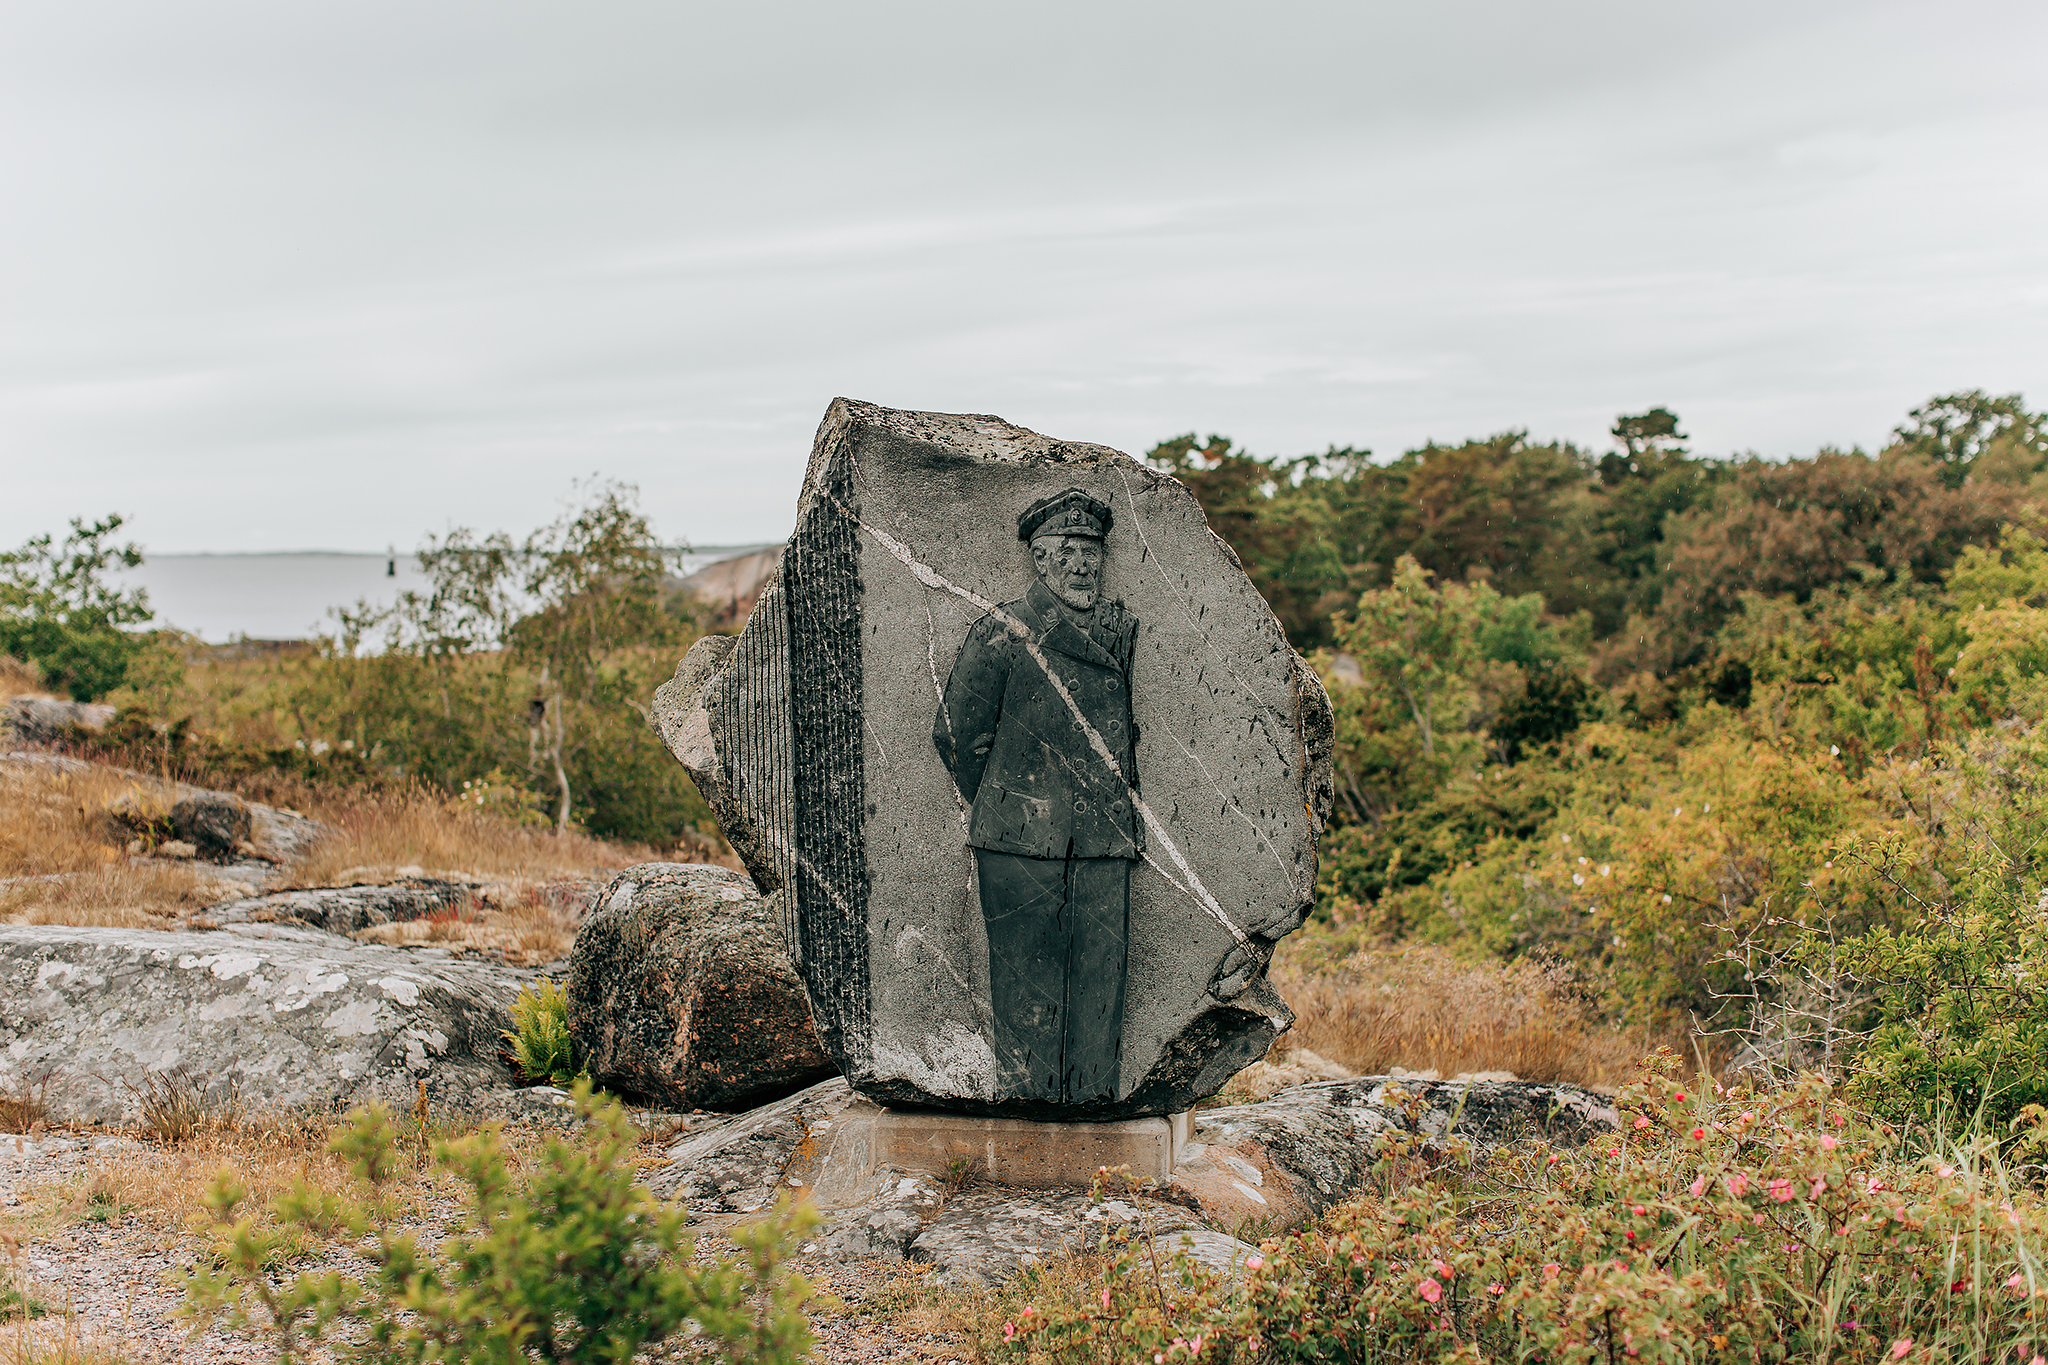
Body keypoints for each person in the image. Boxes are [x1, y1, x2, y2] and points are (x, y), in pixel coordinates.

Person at [933, 488, 1140, 1104]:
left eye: (1091, 553)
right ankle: (1029, 1105)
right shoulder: (1001, 631)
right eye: (1068, 552)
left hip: (1104, 837)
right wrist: (1007, 801)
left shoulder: (1120, 629)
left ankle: (1093, 1104)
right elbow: (956, 734)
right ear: (1041, 560)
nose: (1083, 565)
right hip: (1019, 838)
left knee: (1100, 983)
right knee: (1027, 985)